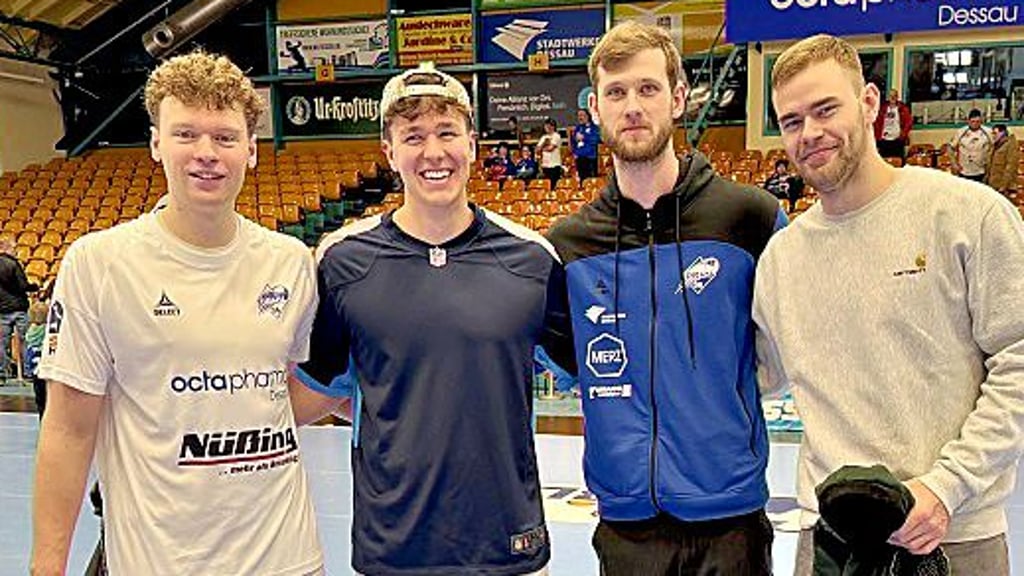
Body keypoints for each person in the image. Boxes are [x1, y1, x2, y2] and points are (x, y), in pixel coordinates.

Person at [32, 51, 325, 576]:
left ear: (251, 150)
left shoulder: (291, 263)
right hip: (160, 561)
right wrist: (47, 567)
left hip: (287, 560)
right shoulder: (100, 264)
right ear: (156, 144)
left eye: (225, 137)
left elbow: (285, 394)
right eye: (186, 134)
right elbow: (69, 431)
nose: (206, 153)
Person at [292, 62, 575, 576]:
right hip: (394, 548)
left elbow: (598, 378)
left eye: (447, 132)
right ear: (389, 152)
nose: (433, 152)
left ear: (472, 144)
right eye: (413, 136)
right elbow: (315, 389)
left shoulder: (532, 260)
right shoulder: (343, 261)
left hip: (508, 548)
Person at [756, 34, 1024, 576]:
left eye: (825, 109)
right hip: (828, 542)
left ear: (870, 103)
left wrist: (945, 487)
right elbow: (757, 376)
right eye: (791, 121)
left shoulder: (967, 216)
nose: (810, 133)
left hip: (955, 536)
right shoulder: (781, 259)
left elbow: (1018, 360)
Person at [545, 21, 783, 575]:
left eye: (648, 89)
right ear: (596, 109)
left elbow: (789, 344)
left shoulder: (749, 218)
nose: (632, 106)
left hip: (732, 522)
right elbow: (568, 362)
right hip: (626, 523)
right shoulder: (570, 246)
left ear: (677, 99)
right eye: (616, 92)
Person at [0, 234, 36, 380]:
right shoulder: (13, 264)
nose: (16, 251)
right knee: (25, 339)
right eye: (14, 248)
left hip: (2, 310)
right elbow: (22, 286)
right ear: (6, 248)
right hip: (19, 308)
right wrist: (34, 287)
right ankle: (28, 371)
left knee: (2, 343)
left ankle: (3, 372)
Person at [947, 108, 993, 182]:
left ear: (981, 121)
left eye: (978, 121)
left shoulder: (988, 132)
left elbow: (994, 147)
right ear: (968, 121)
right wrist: (954, 164)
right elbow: (950, 148)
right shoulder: (961, 132)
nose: (975, 124)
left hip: (981, 170)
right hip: (964, 170)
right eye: (973, 121)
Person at [873, 88, 912, 160]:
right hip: (884, 140)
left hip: (897, 140)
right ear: (888, 97)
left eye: (895, 96)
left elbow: (908, 123)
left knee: (898, 161)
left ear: (897, 97)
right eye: (891, 96)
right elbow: (876, 123)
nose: (893, 98)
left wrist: (902, 135)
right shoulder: (882, 109)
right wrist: (878, 136)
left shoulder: (903, 108)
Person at [986, 124, 1020, 195]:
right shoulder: (995, 145)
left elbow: (1011, 167)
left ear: (1002, 133)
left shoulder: (1011, 145)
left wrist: (1003, 186)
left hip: (1005, 187)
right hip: (994, 184)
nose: (993, 136)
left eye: (995, 133)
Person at [572, 108, 601, 180]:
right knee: (582, 180)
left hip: (590, 158)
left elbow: (596, 139)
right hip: (579, 158)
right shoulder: (578, 128)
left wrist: (584, 137)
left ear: (588, 116)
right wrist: (575, 152)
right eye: (578, 115)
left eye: (582, 115)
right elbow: (574, 142)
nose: (580, 117)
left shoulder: (594, 127)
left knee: (590, 180)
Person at [536, 117, 563, 185]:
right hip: (545, 165)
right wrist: (544, 144)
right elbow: (537, 150)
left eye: (550, 126)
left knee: (554, 184)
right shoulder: (543, 137)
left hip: (554, 164)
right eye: (546, 126)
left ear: (554, 127)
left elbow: (550, 148)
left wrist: (542, 148)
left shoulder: (556, 136)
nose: (548, 127)